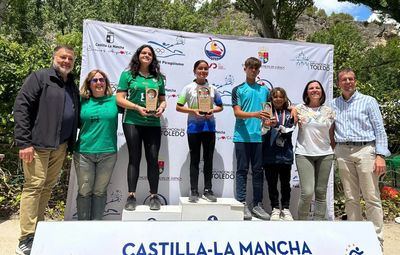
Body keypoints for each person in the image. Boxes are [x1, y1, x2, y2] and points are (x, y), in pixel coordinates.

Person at [13, 45, 79, 255]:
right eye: (63, 57)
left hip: (60, 146)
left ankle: (38, 229)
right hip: (37, 146)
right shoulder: (40, 77)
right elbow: (21, 107)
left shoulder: (72, 85)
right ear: (54, 58)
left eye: (70, 58)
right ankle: (26, 237)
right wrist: (24, 142)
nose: (66, 61)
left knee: (47, 188)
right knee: (33, 187)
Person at [332, 68, 390, 245]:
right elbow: (329, 126)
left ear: (355, 81)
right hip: (343, 152)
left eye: (351, 79)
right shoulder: (334, 104)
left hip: (366, 151)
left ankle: (376, 239)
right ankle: (356, 238)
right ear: (338, 83)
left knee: (371, 196)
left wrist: (380, 155)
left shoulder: (368, 101)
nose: (348, 82)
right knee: (350, 197)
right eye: (344, 79)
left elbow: (380, 130)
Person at [116, 44, 166, 211]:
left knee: (153, 159)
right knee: (134, 158)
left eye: (149, 54)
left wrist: (161, 107)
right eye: (143, 53)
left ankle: (154, 196)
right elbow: (119, 99)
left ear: (153, 57)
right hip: (132, 121)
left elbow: (163, 100)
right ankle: (131, 196)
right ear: (138, 55)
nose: (146, 55)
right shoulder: (128, 75)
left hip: (152, 122)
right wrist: (136, 107)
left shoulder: (157, 77)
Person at [176, 60, 223, 203]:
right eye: (200, 68)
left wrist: (212, 110)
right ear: (194, 70)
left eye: (205, 69)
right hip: (194, 128)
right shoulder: (188, 88)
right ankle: (194, 190)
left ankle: (208, 190)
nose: (203, 71)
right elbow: (179, 107)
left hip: (209, 127)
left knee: (208, 159)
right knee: (194, 160)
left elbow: (220, 106)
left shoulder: (213, 89)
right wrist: (193, 111)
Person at [73, 70, 118, 220]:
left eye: (102, 79)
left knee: (100, 191)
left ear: (106, 83)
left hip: (108, 153)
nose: (99, 82)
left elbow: (136, 107)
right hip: (84, 152)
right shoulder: (81, 101)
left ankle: (96, 227)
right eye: (94, 80)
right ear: (89, 84)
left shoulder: (115, 101)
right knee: (85, 191)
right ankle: (83, 227)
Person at [232, 57, 270, 220]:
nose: (253, 70)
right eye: (250, 67)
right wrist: (255, 114)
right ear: (245, 68)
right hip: (241, 136)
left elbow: (269, 111)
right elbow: (237, 113)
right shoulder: (238, 89)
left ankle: (257, 204)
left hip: (259, 137)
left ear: (259, 71)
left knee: (257, 172)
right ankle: (241, 204)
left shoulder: (265, 90)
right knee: (241, 171)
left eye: (256, 68)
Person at [294, 80, 335, 220]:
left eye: (317, 87)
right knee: (307, 192)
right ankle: (302, 226)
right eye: (311, 88)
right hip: (304, 153)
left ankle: (318, 226)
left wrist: (332, 150)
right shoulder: (298, 109)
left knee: (321, 192)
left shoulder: (329, 111)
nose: (314, 90)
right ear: (307, 92)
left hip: (325, 154)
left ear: (322, 91)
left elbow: (332, 133)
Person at [262, 87, 295, 221]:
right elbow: (262, 131)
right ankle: (275, 208)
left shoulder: (290, 112)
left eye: (281, 97)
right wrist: (268, 125)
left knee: (285, 183)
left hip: (285, 153)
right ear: (271, 98)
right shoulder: (266, 112)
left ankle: (286, 208)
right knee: (272, 183)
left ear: (285, 98)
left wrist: (279, 127)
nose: (278, 99)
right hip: (269, 153)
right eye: (275, 97)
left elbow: (292, 128)